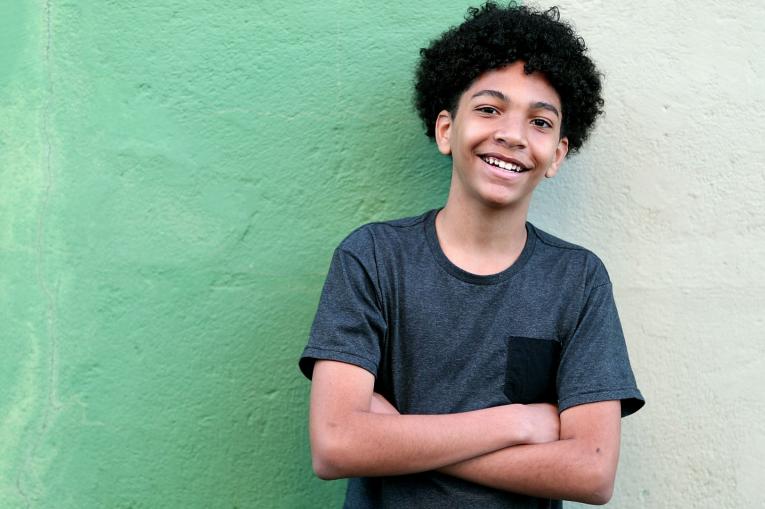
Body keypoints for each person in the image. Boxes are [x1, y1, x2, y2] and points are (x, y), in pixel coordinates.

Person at [298, 3, 645, 507]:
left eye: (540, 122)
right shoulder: (372, 258)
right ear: (446, 130)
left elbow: (591, 472)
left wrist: (394, 439)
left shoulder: (578, 280)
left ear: (557, 155)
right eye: (488, 109)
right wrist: (518, 422)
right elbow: (335, 445)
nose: (512, 134)